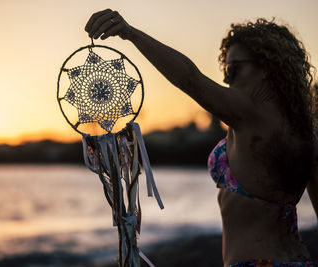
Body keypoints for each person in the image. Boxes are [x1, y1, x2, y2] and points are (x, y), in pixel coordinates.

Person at [85, 9, 318, 267]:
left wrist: (130, 34)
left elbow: (190, 79)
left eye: (233, 70)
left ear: (267, 69)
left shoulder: (250, 114)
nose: (226, 79)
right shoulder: (305, 133)